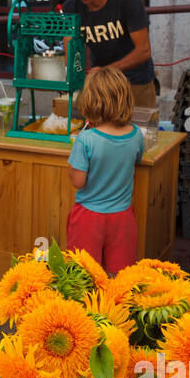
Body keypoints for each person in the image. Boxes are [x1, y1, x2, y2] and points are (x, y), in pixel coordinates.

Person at [67, 67, 145, 276]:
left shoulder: (86, 139)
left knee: (84, 276)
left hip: (89, 218)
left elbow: (78, 181)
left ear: (90, 101)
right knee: (120, 276)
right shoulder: (136, 135)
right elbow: (137, 159)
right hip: (122, 217)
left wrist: (72, 164)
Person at [60, 0, 157, 111]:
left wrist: (105, 70)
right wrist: (77, 73)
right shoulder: (71, 7)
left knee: (140, 131)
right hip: (100, 84)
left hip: (136, 82)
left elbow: (144, 51)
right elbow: (72, 49)